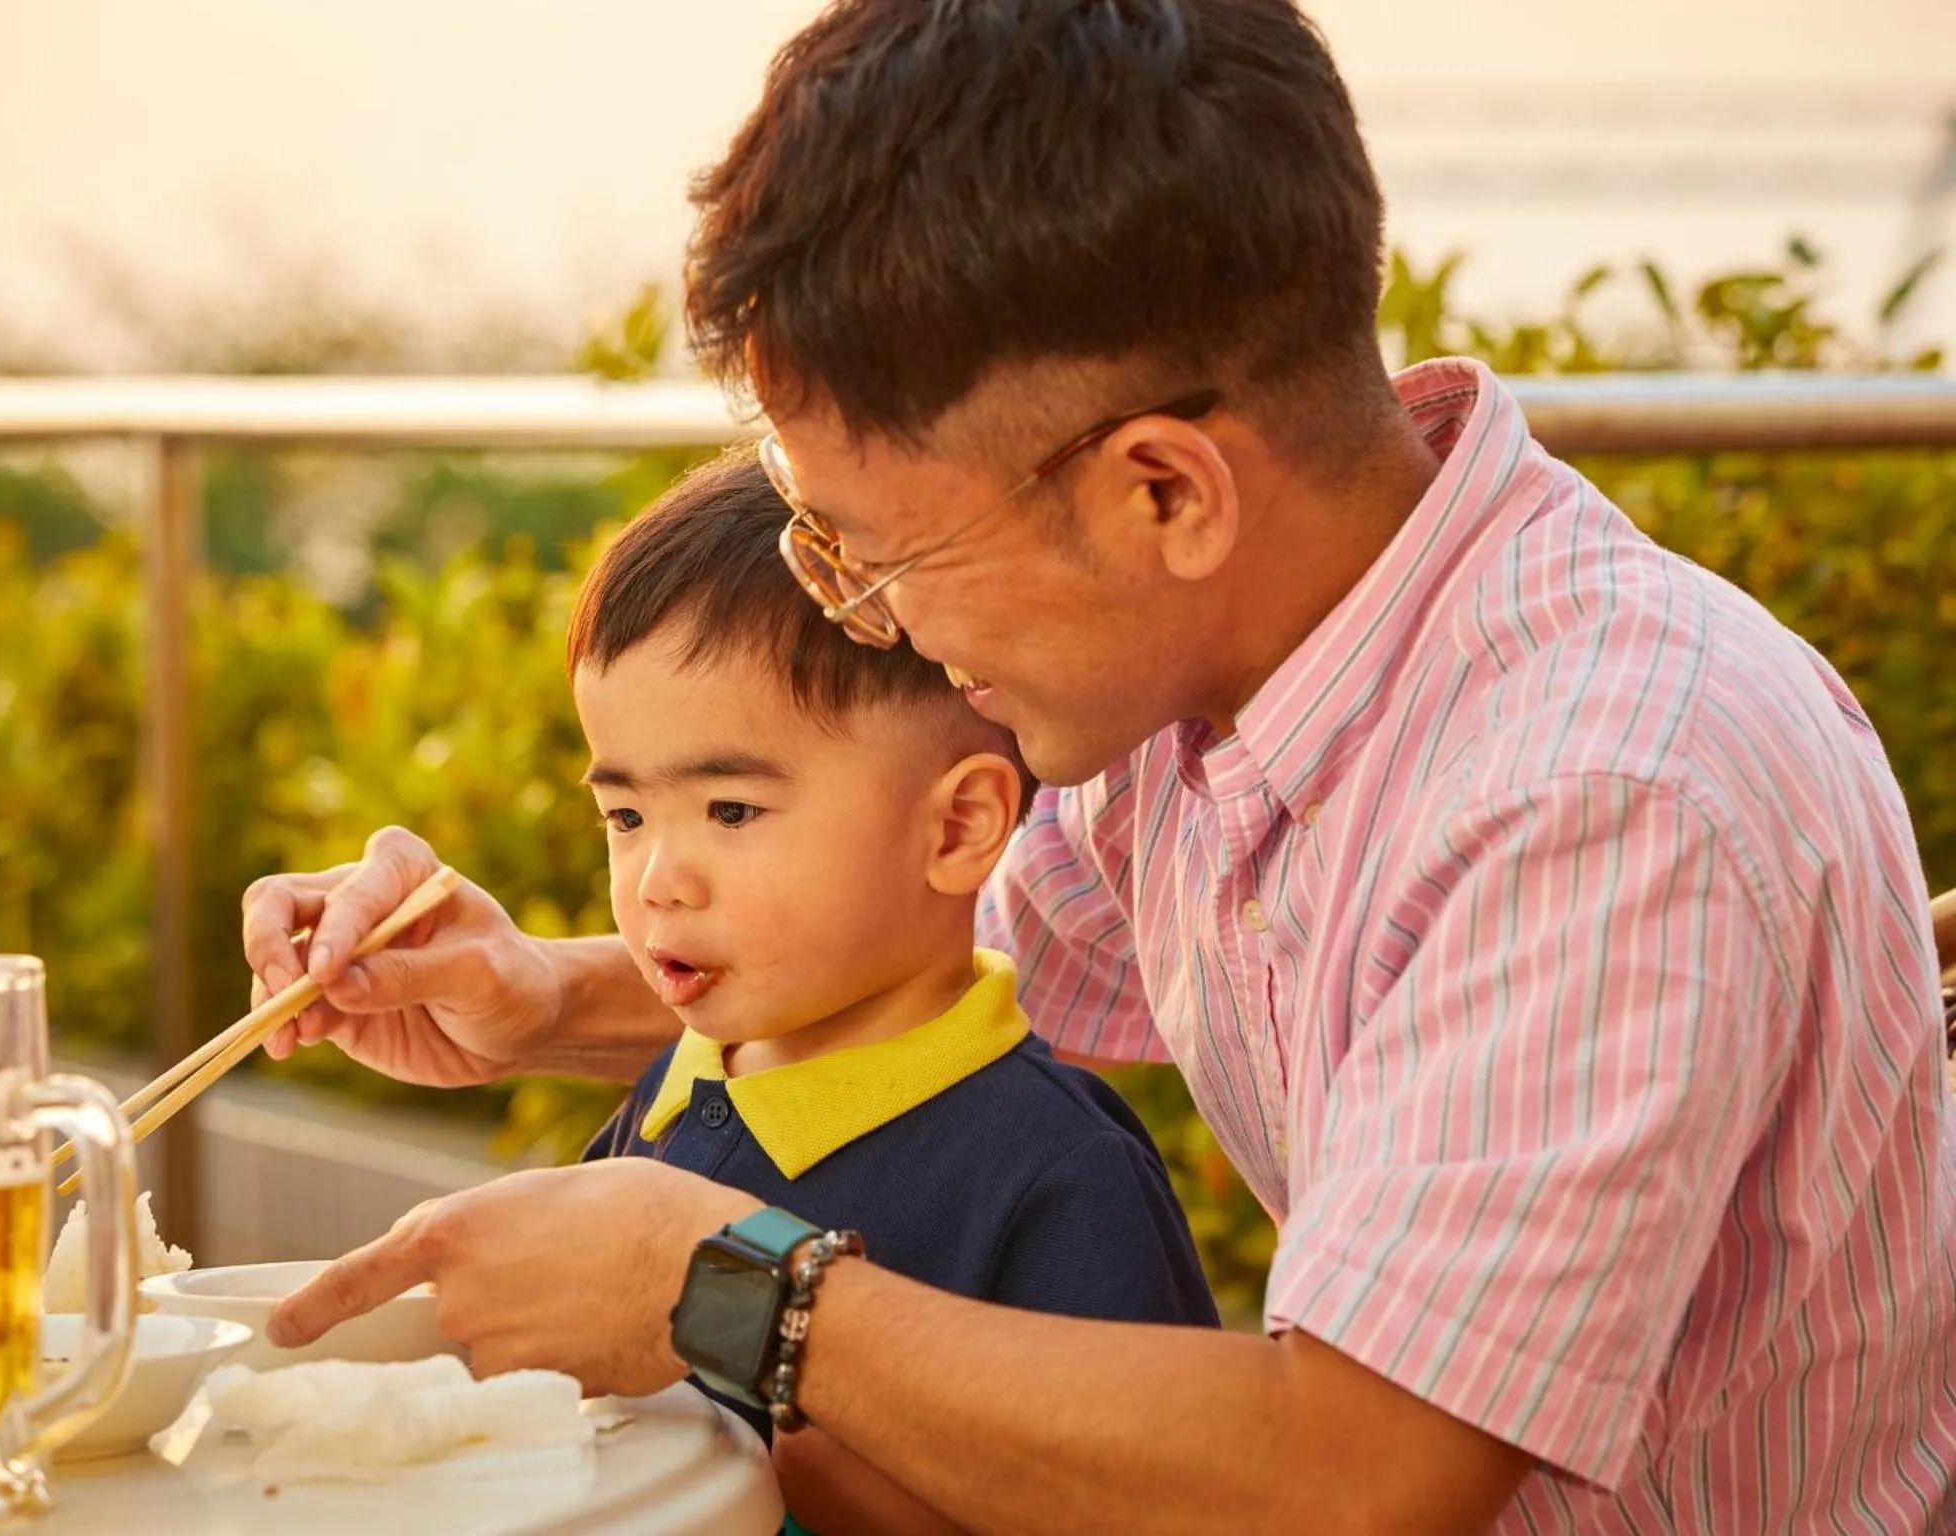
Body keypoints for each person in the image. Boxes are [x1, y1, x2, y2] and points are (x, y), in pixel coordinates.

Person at [243, 2, 1956, 1531]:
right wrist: (538, 998)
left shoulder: (1593, 791)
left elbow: (1356, 1476)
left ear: (1162, 493)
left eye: (882, 561)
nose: (887, 631)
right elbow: (948, 964)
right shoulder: (1219, 677)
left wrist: (711, 1281)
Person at [568, 447, 1218, 1531]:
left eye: (729, 811)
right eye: (625, 818)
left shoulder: (1053, 1171)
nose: (654, 881)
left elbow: (1160, 1498)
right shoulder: (680, 1095)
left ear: (959, 826)